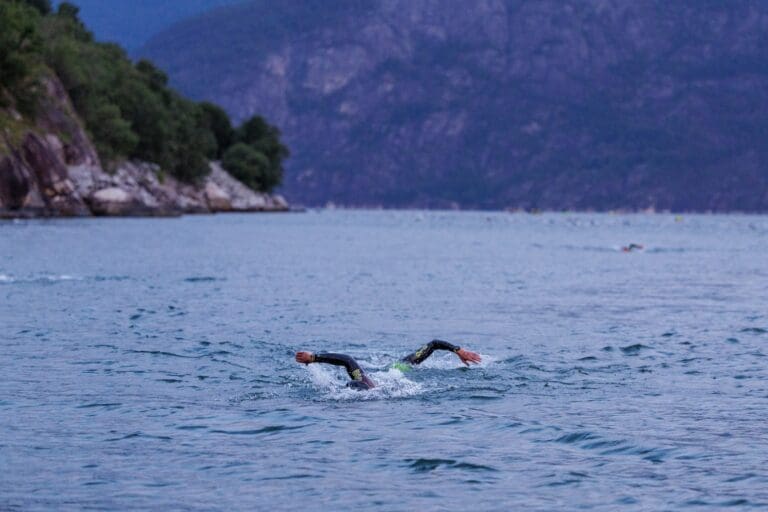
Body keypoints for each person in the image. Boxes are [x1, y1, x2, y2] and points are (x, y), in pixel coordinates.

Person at [295, 339, 482, 390]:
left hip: (396, 371)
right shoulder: (371, 382)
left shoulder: (368, 381)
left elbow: (347, 360)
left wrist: (314, 358)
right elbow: (346, 360)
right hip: (392, 373)